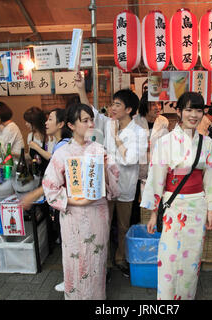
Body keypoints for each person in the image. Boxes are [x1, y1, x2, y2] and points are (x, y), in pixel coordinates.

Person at [142, 92, 212, 300]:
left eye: (198, 110)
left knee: (192, 258)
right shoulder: (165, 142)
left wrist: (210, 209)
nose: (194, 115)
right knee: (169, 257)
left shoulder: (207, 144)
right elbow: (156, 178)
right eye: (188, 109)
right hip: (173, 205)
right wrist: (154, 214)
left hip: (197, 204)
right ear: (178, 112)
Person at [42, 103, 119, 300]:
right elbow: (50, 187)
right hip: (73, 214)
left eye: (91, 119)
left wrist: (104, 170)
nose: (90, 124)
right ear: (71, 125)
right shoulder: (62, 153)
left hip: (97, 214)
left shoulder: (99, 149)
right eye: (84, 120)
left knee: (97, 257)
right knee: (75, 259)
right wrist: (76, 201)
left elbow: (114, 185)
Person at [75, 73, 148, 278]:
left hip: (125, 187)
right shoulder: (108, 123)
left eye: (117, 104)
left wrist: (115, 139)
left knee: (124, 226)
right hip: (106, 185)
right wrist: (81, 89)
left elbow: (130, 159)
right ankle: (104, 263)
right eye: (113, 104)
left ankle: (120, 259)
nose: (113, 108)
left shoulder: (140, 133)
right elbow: (92, 113)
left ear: (129, 110)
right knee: (103, 225)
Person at [19, 108, 72, 293]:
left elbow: (54, 181)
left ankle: (71, 281)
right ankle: (71, 279)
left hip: (64, 202)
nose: (46, 122)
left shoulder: (63, 146)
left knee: (68, 242)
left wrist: (33, 195)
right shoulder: (58, 144)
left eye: (50, 119)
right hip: (62, 201)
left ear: (61, 124)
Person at [132, 92, 169, 224]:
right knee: (138, 206)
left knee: (156, 202)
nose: (157, 107)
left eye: (159, 103)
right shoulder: (134, 121)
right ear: (144, 105)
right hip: (137, 172)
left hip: (156, 169)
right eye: (153, 104)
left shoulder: (164, 121)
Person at [24, 106, 55, 177]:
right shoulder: (30, 136)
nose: (26, 124)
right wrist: (15, 155)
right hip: (36, 174)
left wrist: (36, 147)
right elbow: (30, 155)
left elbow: (50, 157)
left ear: (35, 122)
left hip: (49, 174)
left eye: (28, 122)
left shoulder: (49, 136)